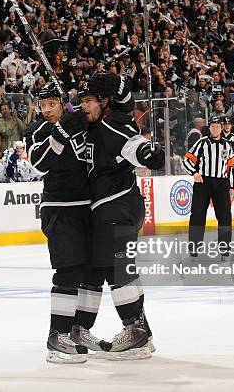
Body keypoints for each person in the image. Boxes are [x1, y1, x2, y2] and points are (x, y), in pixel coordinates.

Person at [75, 72, 164, 359]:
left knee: (118, 270)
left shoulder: (113, 127)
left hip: (117, 206)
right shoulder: (99, 124)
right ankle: (141, 331)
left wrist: (149, 153)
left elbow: (134, 144)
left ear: (105, 101)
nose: (83, 107)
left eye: (88, 101)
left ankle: (134, 333)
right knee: (104, 269)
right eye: (82, 101)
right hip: (113, 208)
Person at [24, 83, 91, 363]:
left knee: (90, 274)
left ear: (63, 103)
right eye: (43, 105)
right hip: (59, 208)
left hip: (87, 207)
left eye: (52, 104)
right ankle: (57, 335)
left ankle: (78, 330)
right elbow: (39, 163)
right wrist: (62, 132)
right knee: (68, 272)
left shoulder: (81, 124)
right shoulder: (36, 131)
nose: (47, 110)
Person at [182, 116, 234, 261]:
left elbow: (231, 167)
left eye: (218, 126)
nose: (215, 129)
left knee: (225, 217)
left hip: (222, 184)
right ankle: (194, 251)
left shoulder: (228, 145)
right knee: (197, 216)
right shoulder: (202, 143)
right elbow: (186, 159)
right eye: (212, 126)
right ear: (209, 127)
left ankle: (225, 251)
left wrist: (231, 186)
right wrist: (194, 173)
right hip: (203, 183)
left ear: (221, 127)